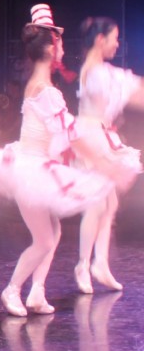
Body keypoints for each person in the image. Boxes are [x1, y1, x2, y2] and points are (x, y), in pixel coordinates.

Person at [0, 4, 113, 316]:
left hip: (36, 165)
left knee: (53, 234)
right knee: (44, 240)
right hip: (31, 171)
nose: (64, 48)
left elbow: (62, 133)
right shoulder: (46, 91)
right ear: (51, 47)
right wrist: (104, 158)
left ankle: (36, 292)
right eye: (61, 43)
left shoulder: (38, 86)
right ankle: (12, 290)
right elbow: (69, 133)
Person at [72, 17, 144, 293]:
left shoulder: (102, 71)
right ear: (100, 40)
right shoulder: (94, 71)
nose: (118, 43)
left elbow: (130, 90)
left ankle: (100, 262)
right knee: (97, 204)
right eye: (114, 38)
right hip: (90, 137)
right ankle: (83, 264)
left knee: (110, 204)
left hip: (101, 134)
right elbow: (116, 91)